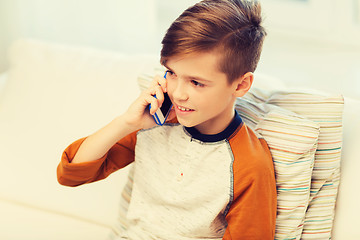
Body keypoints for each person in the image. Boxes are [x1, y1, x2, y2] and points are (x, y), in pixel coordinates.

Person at [57, 0, 277, 239]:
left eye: (196, 82)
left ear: (241, 84)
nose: (178, 93)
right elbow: (70, 175)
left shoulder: (250, 164)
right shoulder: (152, 124)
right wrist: (127, 123)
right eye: (171, 73)